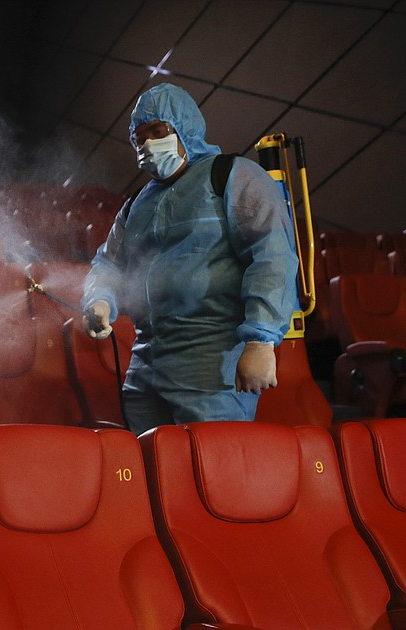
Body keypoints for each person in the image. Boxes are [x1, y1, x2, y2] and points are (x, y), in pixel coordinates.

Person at [81, 83, 298, 435]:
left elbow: (271, 254)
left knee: (208, 473)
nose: (149, 145)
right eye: (140, 138)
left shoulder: (231, 176)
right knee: (151, 471)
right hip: (147, 360)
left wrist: (261, 339)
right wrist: (100, 300)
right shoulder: (137, 203)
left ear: (185, 128)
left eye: (158, 131)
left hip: (211, 358)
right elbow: (108, 264)